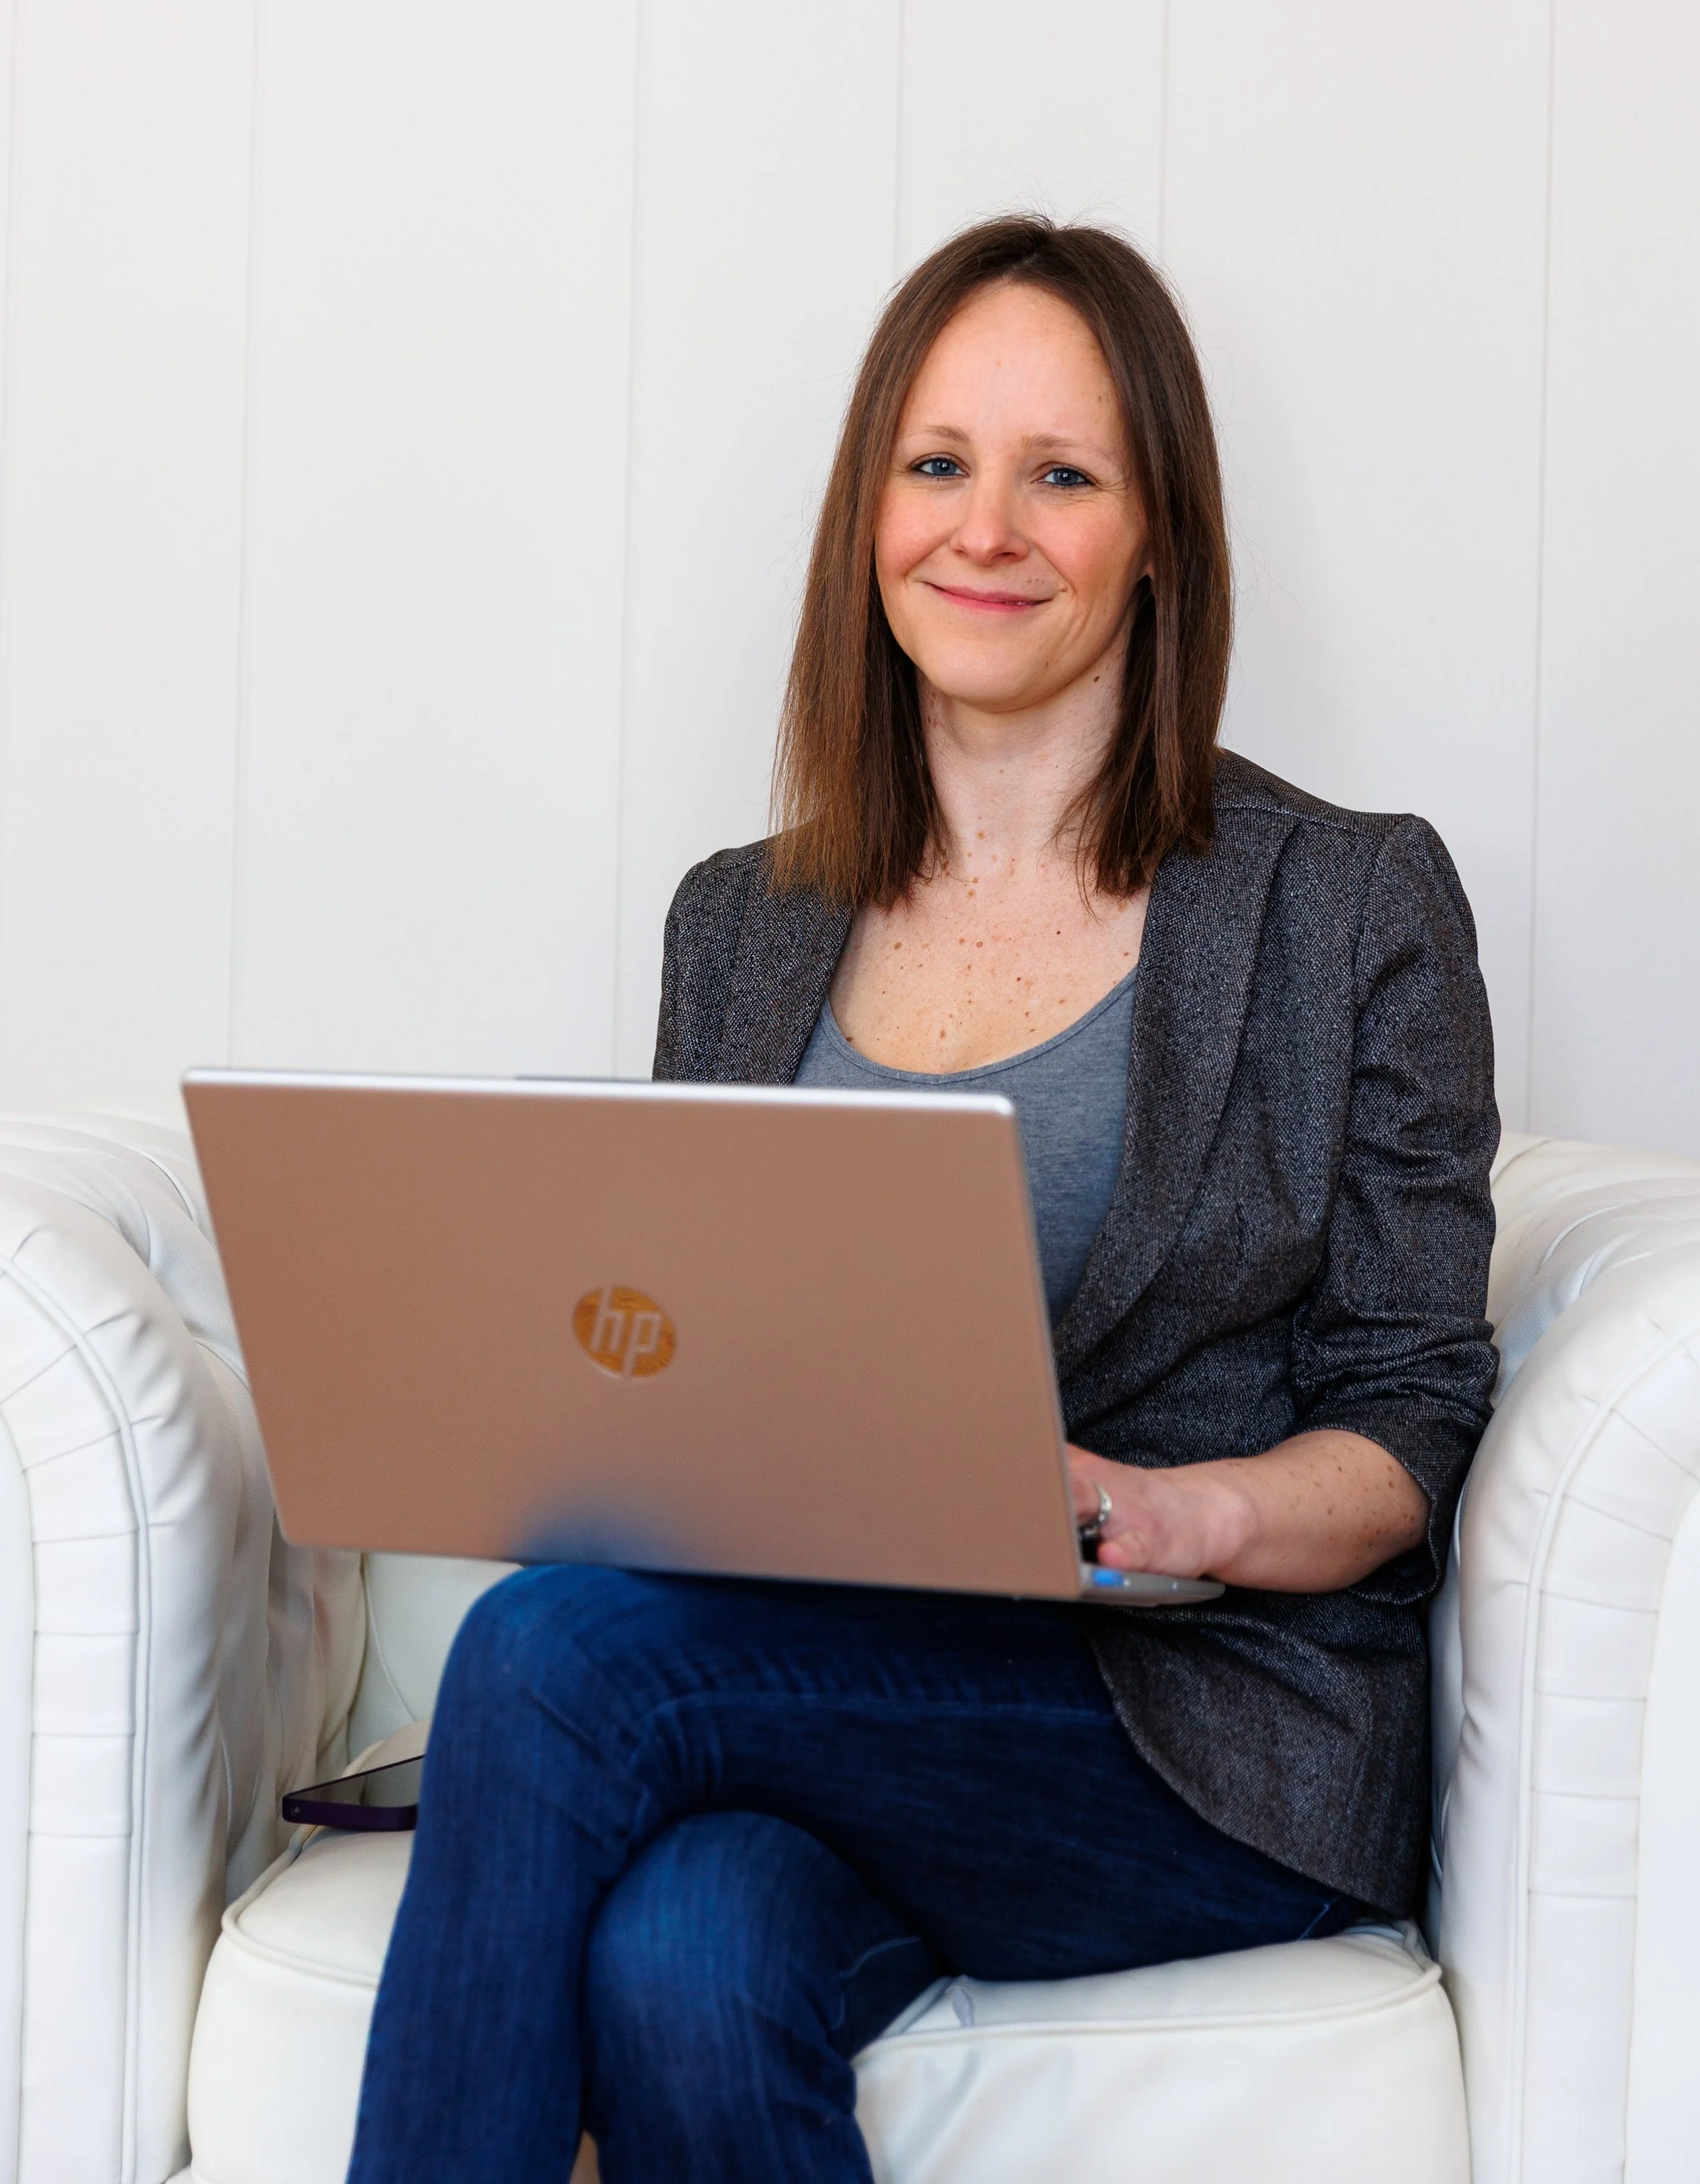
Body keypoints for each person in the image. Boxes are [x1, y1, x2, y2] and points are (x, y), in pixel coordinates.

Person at [345, 216, 1498, 2184]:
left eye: (1061, 473)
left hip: (1196, 1724)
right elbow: (685, 1348)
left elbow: (1410, 1407)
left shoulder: (1350, 900)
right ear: (864, 512)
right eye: (936, 463)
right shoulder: (737, 924)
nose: (987, 527)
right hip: (831, 1678)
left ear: (1159, 536)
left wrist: (1162, 1510)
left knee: (546, 1655)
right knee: (687, 1953)